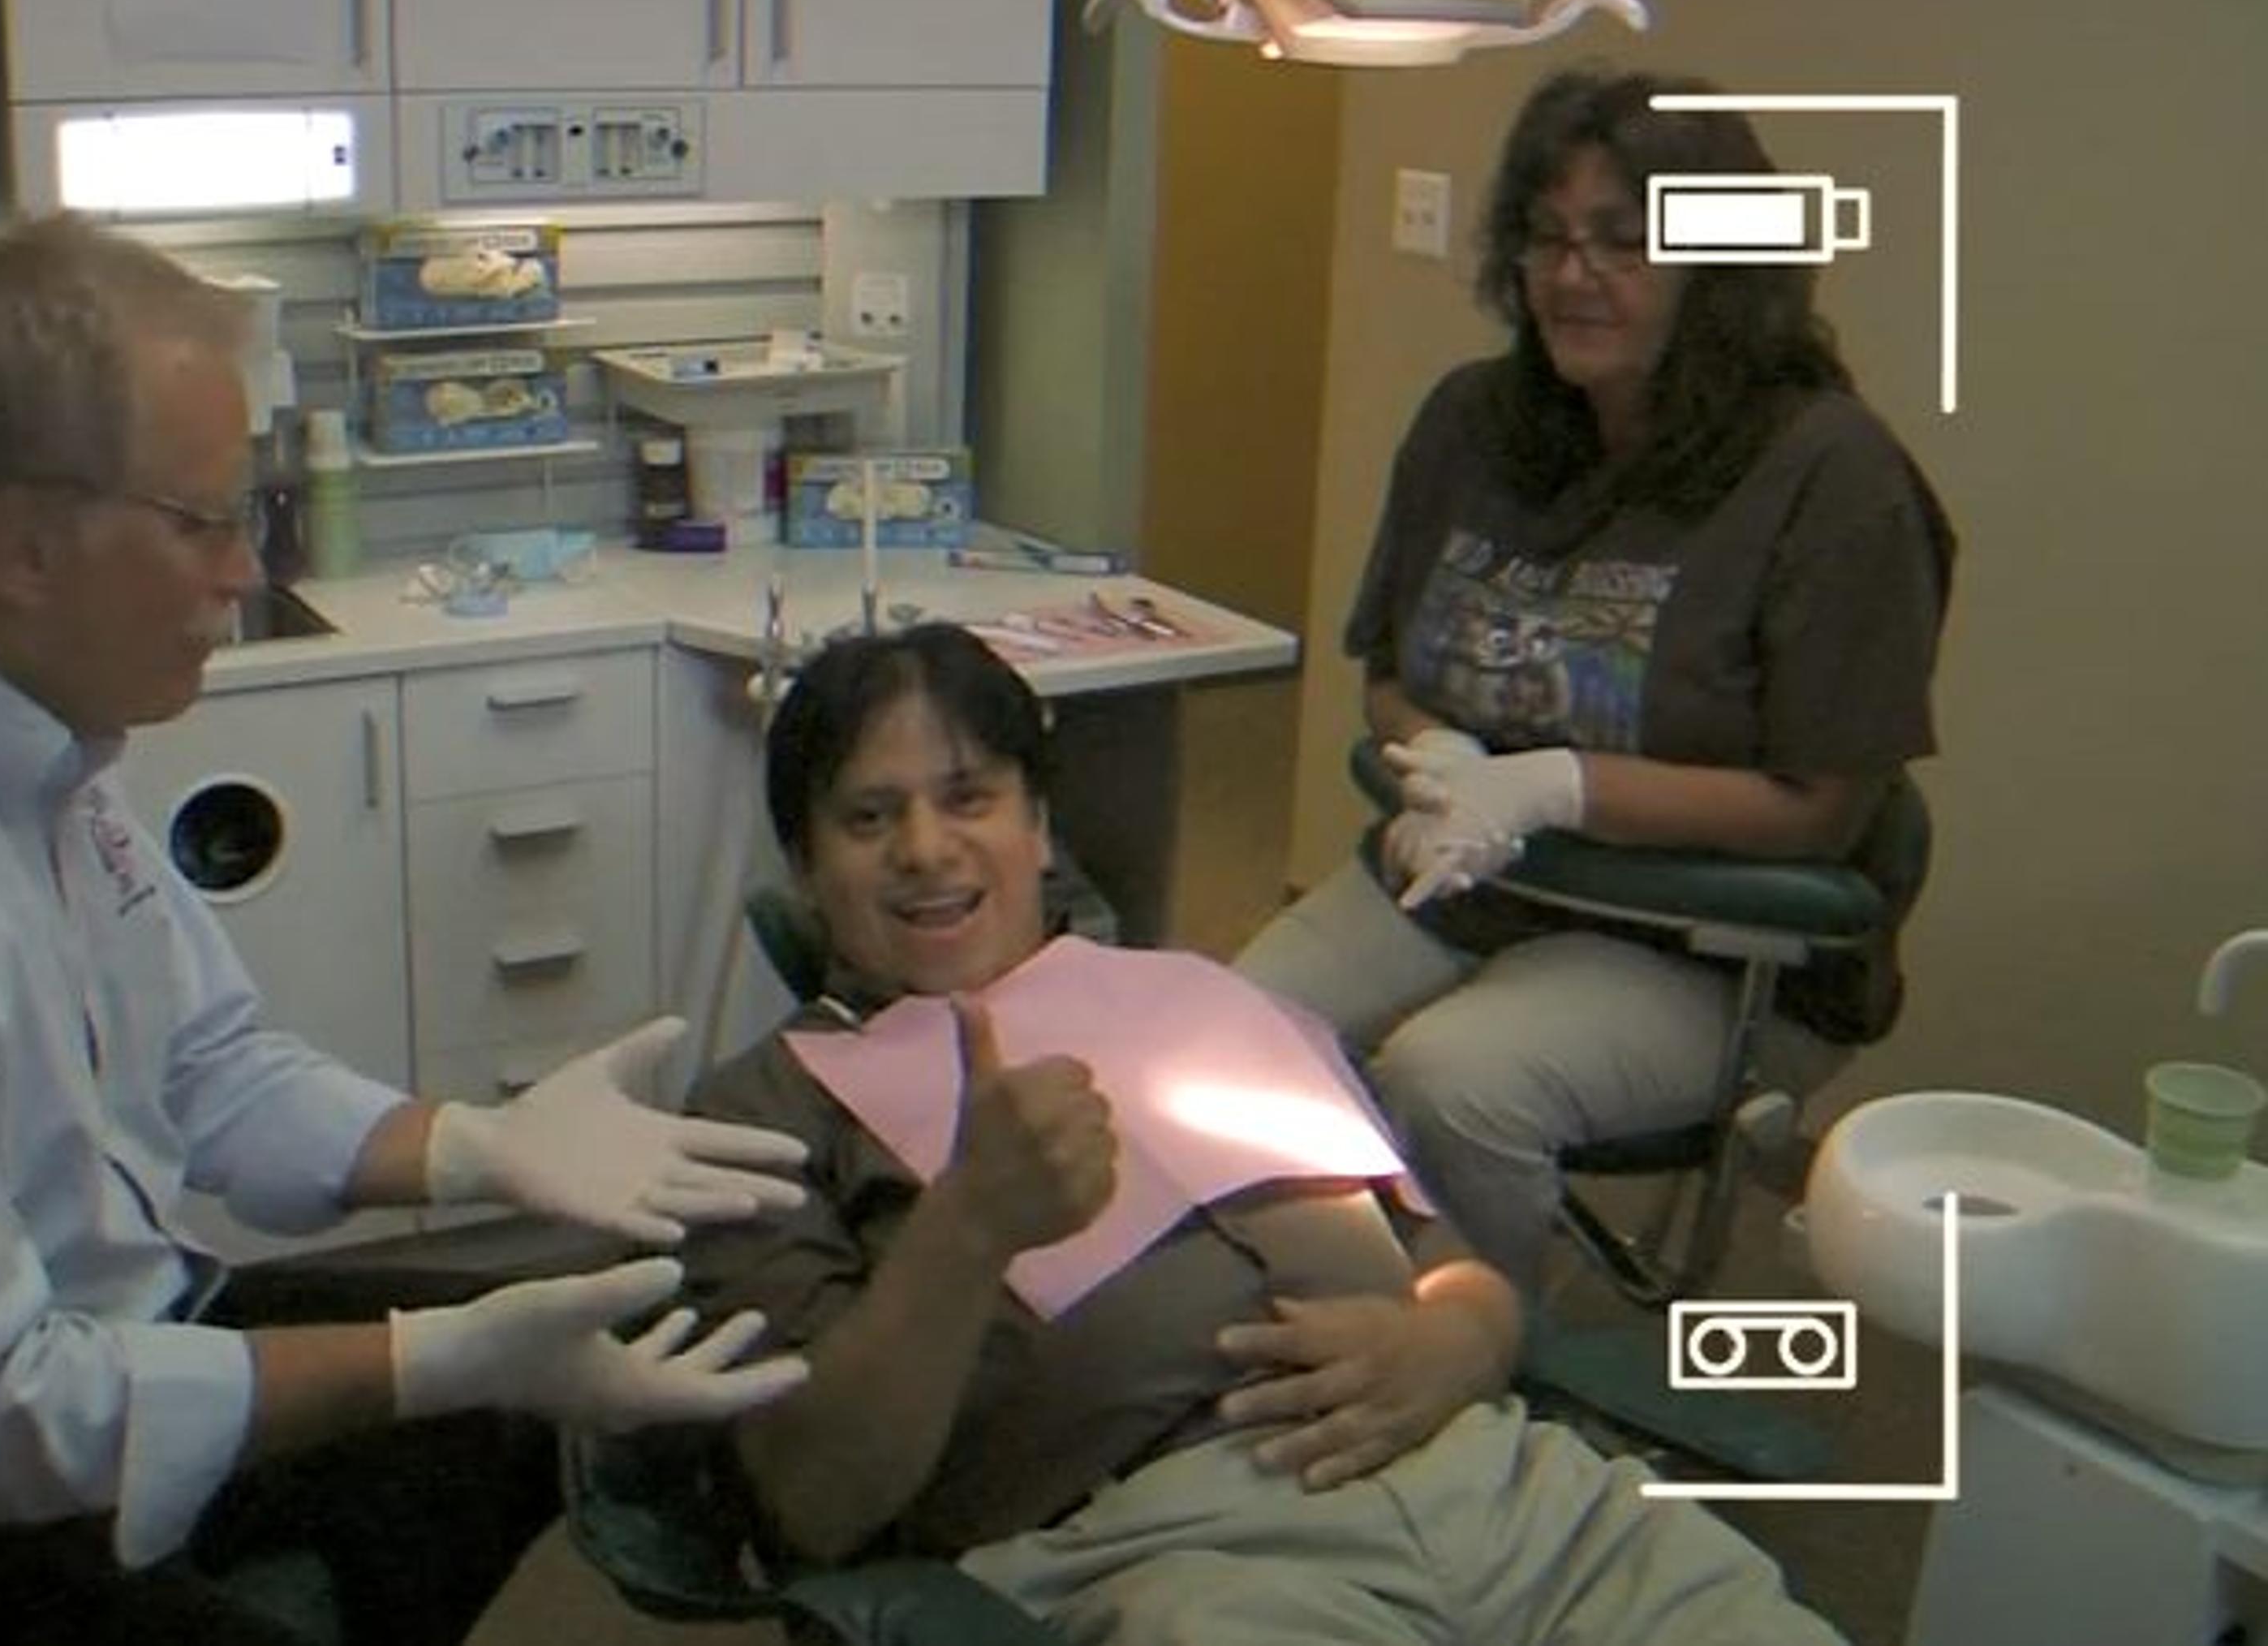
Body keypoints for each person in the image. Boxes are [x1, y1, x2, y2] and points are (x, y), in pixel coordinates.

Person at [0, 213, 811, 1646]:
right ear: (22, 547)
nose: (247, 574)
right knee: (464, 1385)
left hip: (66, 1363)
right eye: (206, 522)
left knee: (521, 1394)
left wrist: (480, 1144)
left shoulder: (32, 742)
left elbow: (209, 1070)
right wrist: (431, 1356)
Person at [675, 622, 1843, 1643]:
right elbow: (811, 1501)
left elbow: (1445, 1268)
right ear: (807, 866)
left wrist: (1462, 1343)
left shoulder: (1207, 1000)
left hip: (1492, 1479)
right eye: (869, 817)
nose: (927, 848)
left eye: (969, 797)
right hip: (1178, 1557)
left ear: (1038, 828)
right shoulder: (763, 1115)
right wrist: (966, 1231)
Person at [1233, 67, 1958, 1290]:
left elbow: (1826, 808)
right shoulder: (1473, 422)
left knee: (1450, 1083)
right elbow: (1395, 673)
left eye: (1626, 243)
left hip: (1712, 943)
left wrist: (1555, 788)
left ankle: (1464, 1375)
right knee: (1232, 1036)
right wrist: (1446, 766)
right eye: (1548, 238)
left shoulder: (1834, 482)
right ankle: (1301, 1312)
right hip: (1482, 889)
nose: (1576, 277)